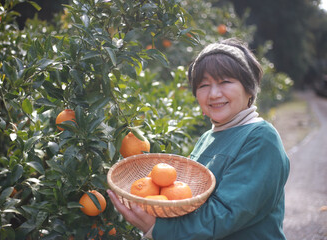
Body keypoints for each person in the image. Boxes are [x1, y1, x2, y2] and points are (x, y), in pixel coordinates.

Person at [107, 38, 290, 240]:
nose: (213, 94)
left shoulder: (261, 138)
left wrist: (158, 228)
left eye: (225, 82)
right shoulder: (208, 137)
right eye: (203, 85)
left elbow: (226, 214)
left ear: (249, 89)